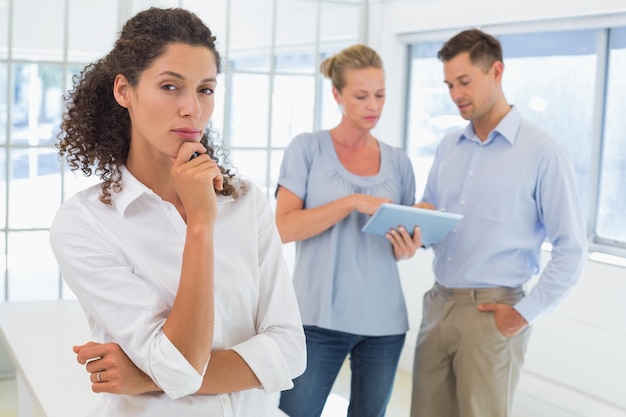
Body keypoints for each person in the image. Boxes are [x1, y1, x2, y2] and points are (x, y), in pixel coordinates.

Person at [49, 7, 306, 417]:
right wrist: (201, 223)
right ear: (123, 91)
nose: (192, 108)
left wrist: (150, 375)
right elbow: (182, 368)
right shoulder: (85, 224)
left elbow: (291, 350)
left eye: (205, 89)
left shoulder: (246, 202)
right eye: (170, 86)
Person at [409, 28, 588, 417]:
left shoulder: (543, 152)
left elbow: (572, 249)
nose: (455, 94)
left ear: (496, 72)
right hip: (439, 304)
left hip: (494, 312)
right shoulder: (448, 147)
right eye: (449, 84)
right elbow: (435, 215)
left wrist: (524, 313)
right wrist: (415, 228)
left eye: (464, 81)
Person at [275, 44, 422, 417]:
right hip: (316, 319)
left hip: (384, 324)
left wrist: (406, 248)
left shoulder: (399, 162)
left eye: (380, 95)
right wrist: (350, 202)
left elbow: (398, 241)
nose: (372, 105)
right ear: (337, 94)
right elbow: (283, 227)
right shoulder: (307, 149)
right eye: (360, 96)